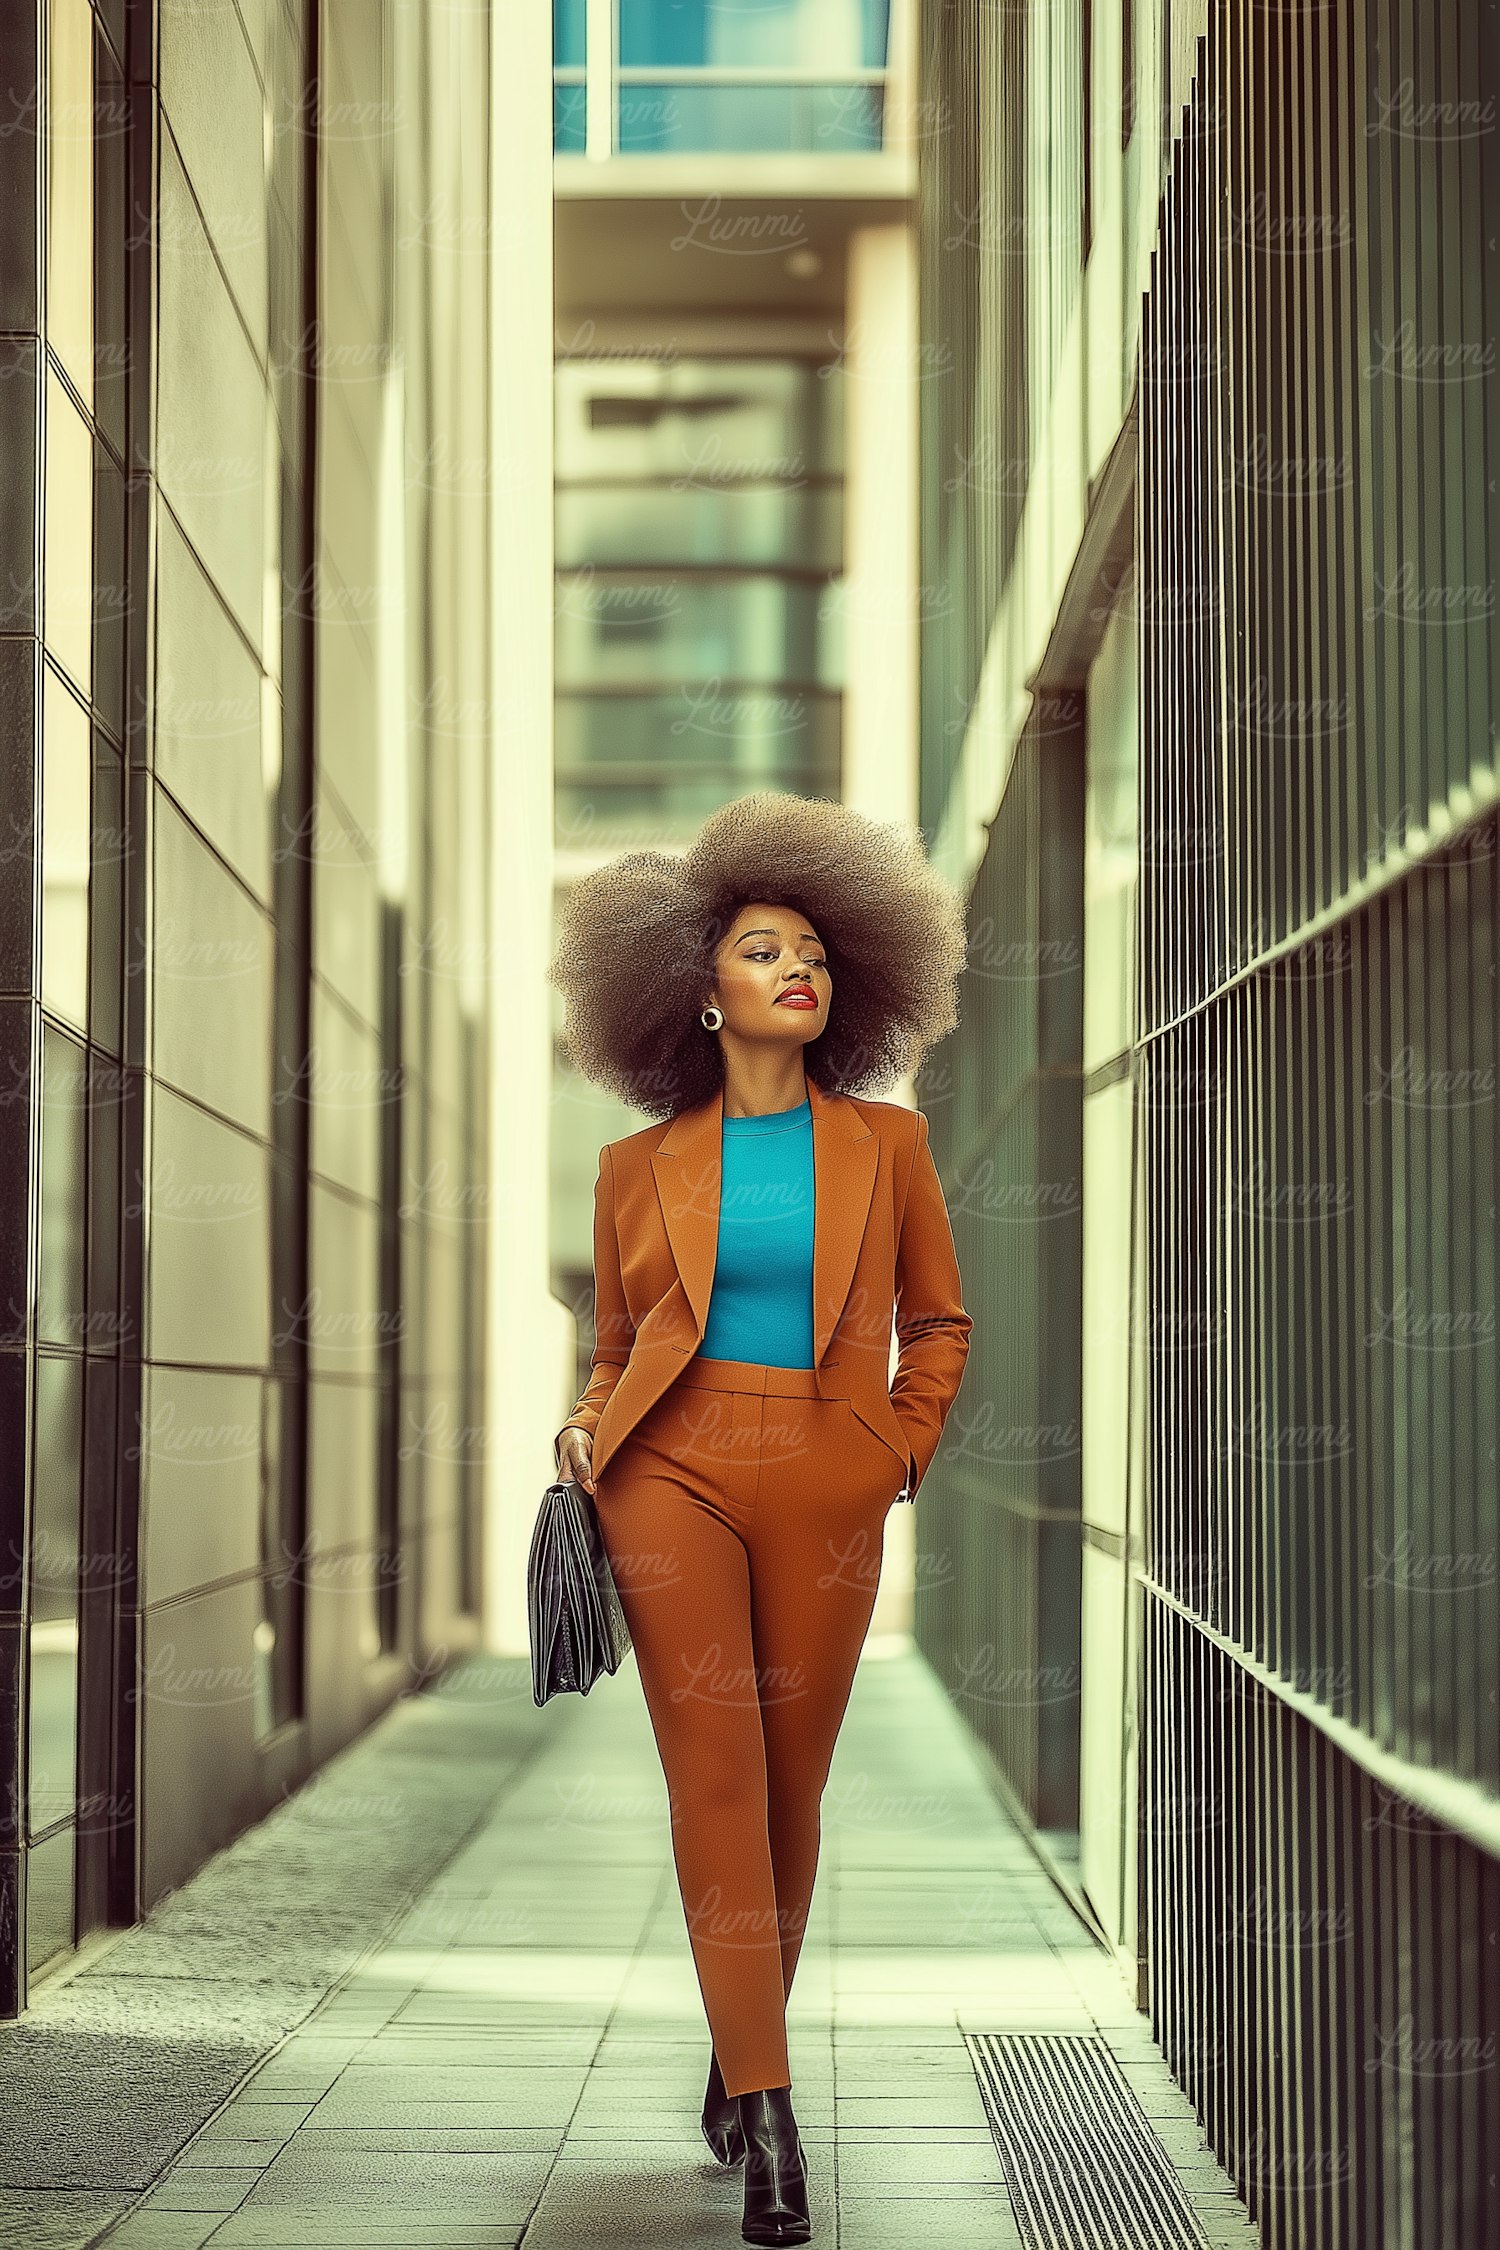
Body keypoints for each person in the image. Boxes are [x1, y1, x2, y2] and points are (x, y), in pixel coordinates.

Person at [547, 791, 972, 2245]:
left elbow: (942, 1320)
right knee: (717, 1774)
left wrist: (895, 1448)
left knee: (792, 1783)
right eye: (760, 949)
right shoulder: (631, 1171)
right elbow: (617, 1344)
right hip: (669, 1466)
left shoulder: (891, 1143)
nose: (798, 970)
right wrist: (587, 1426)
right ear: (698, 992)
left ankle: (741, 2048)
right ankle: (776, 2111)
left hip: (829, 1472)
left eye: (815, 951)